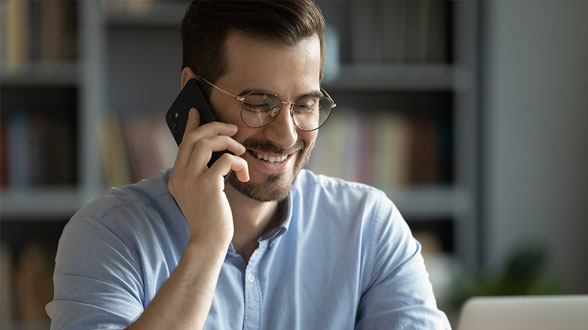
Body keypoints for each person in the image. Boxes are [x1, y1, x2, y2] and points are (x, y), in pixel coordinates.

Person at [46, 1, 451, 329]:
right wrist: (207, 244)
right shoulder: (108, 234)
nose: (287, 136)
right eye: (258, 104)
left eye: (306, 105)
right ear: (194, 92)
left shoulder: (368, 227)